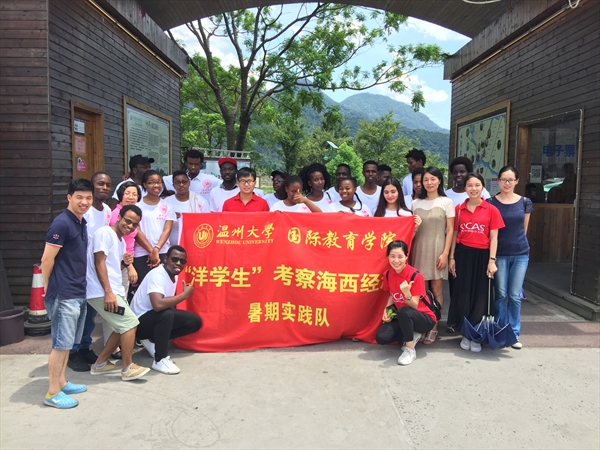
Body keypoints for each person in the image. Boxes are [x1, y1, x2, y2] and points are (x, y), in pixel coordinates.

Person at [40, 178, 93, 409]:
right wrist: (48, 286)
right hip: (64, 293)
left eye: (88, 198)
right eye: (79, 197)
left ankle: (61, 382)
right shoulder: (61, 223)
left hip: (78, 291)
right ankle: (52, 393)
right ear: (69, 197)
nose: (84, 202)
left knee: (69, 342)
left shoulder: (80, 221)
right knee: (61, 344)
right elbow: (46, 259)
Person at [86, 205, 150, 380]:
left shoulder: (120, 241)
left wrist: (124, 263)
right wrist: (108, 292)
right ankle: (127, 367)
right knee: (130, 323)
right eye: (127, 221)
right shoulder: (104, 233)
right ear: (119, 217)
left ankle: (100, 364)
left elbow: (112, 268)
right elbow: (99, 263)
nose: (130, 226)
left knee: (121, 326)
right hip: (101, 291)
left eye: (134, 224)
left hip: (114, 289)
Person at [448, 173, 505, 352]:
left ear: (482, 187)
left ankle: (477, 335)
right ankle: (466, 333)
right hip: (463, 255)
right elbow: (454, 234)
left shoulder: (492, 210)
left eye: (477, 185)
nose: (473, 189)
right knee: (463, 294)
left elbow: (494, 237)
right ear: (465, 188)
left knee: (481, 295)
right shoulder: (458, 209)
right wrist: (451, 257)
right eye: (470, 185)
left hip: (483, 256)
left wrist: (492, 261)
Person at [130, 246, 202, 374]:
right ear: (166, 259)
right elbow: (158, 305)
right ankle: (160, 360)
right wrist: (184, 295)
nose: (178, 263)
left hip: (152, 318)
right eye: (174, 259)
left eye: (182, 261)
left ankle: (153, 340)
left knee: (194, 322)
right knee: (167, 314)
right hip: (137, 324)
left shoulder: (173, 275)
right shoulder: (158, 274)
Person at [67, 172, 113, 372]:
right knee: (77, 315)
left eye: (108, 185)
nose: (104, 187)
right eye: (100, 184)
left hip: (96, 271)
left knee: (90, 315)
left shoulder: (107, 210)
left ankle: (84, 347)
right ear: (92, 187)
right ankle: (72, 352)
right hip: (78, 270)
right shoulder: (84, 210)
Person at [488, 166, 533, 349]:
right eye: (503, 180)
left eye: (510, 180)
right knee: (500, 294)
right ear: (498, 181)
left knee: (514, 295)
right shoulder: (491, 202)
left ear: (516, 181)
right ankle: (500, 330)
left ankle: (514, 334)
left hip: (520, 253)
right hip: (499, 254)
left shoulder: (525, 202)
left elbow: (524, 228)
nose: (506, 183)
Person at [410, 167, 454, 344]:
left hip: (437, 250)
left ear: (439, 181)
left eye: (433, 179)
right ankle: (423, 326)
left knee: (436, 291)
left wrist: (445, 254)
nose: (429, 183)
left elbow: (450, 230)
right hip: (419, 250)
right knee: (421, 291)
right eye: (426, 180)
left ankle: (434, 327)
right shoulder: (415, 203)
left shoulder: (446, 202)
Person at [375, 241, 437, 365]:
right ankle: (412, 334)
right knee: (381, 337)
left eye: (400, 256)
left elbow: (414, 305)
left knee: (403, 311)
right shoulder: (387, 274)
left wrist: (407, 294)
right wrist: (387, 309)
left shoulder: (415, 276)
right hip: (403, 316)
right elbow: (391, 294)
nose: (396, 260)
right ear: (388, 257)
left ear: (406, 257)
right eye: (392, 256)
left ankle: (410, 350)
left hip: (424, 318)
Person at [133, 170, 176, 284]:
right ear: (144, 185)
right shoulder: (137, 205)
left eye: (159, 182)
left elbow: (167, 230)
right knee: (143, 286)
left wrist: (156, 249)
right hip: (141, 253)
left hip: (163, 252)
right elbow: (137, 231)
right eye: (151, 182)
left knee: (162, 286)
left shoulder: (167, 205)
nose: (156, 185)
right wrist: (151, 251)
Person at [163, 170, 210, 246]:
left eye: (184, 182)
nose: (181, 185)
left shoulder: (200, 201)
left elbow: (207, 223)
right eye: (177, 183)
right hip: (171, 246)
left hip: (195, 244)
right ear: (173, 185)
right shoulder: (166, 202)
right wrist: (172, 216)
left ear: (189, 183)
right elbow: (160, 223)